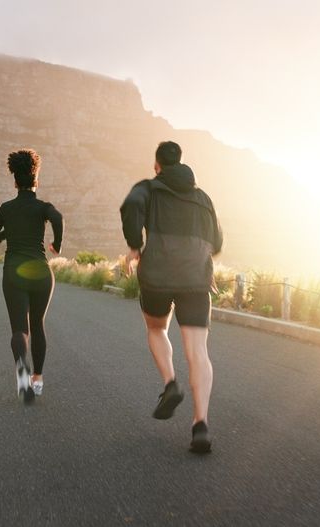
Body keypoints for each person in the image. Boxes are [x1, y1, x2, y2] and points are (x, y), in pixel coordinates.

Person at [120, 140, 222, 454]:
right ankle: (200, 425)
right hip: (195, 278)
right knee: (198, 350)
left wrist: (135, 245)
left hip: (157, 276)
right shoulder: (203, 197)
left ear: (157, 165)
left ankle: (170, 383)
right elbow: (216, 241)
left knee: (156, 329)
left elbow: (130, 207)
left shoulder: (148, 188)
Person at [0, 149, 63, 403]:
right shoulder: (43, 207)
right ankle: (37, 379)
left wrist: (5, 233)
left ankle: (22, 370)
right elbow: (58, 218)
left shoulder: (6, 209)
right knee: (37, 325)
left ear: (15, 180)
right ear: (35, 179)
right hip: (40, 270)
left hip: (14, 271)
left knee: (20, 329)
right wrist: (57, 244)